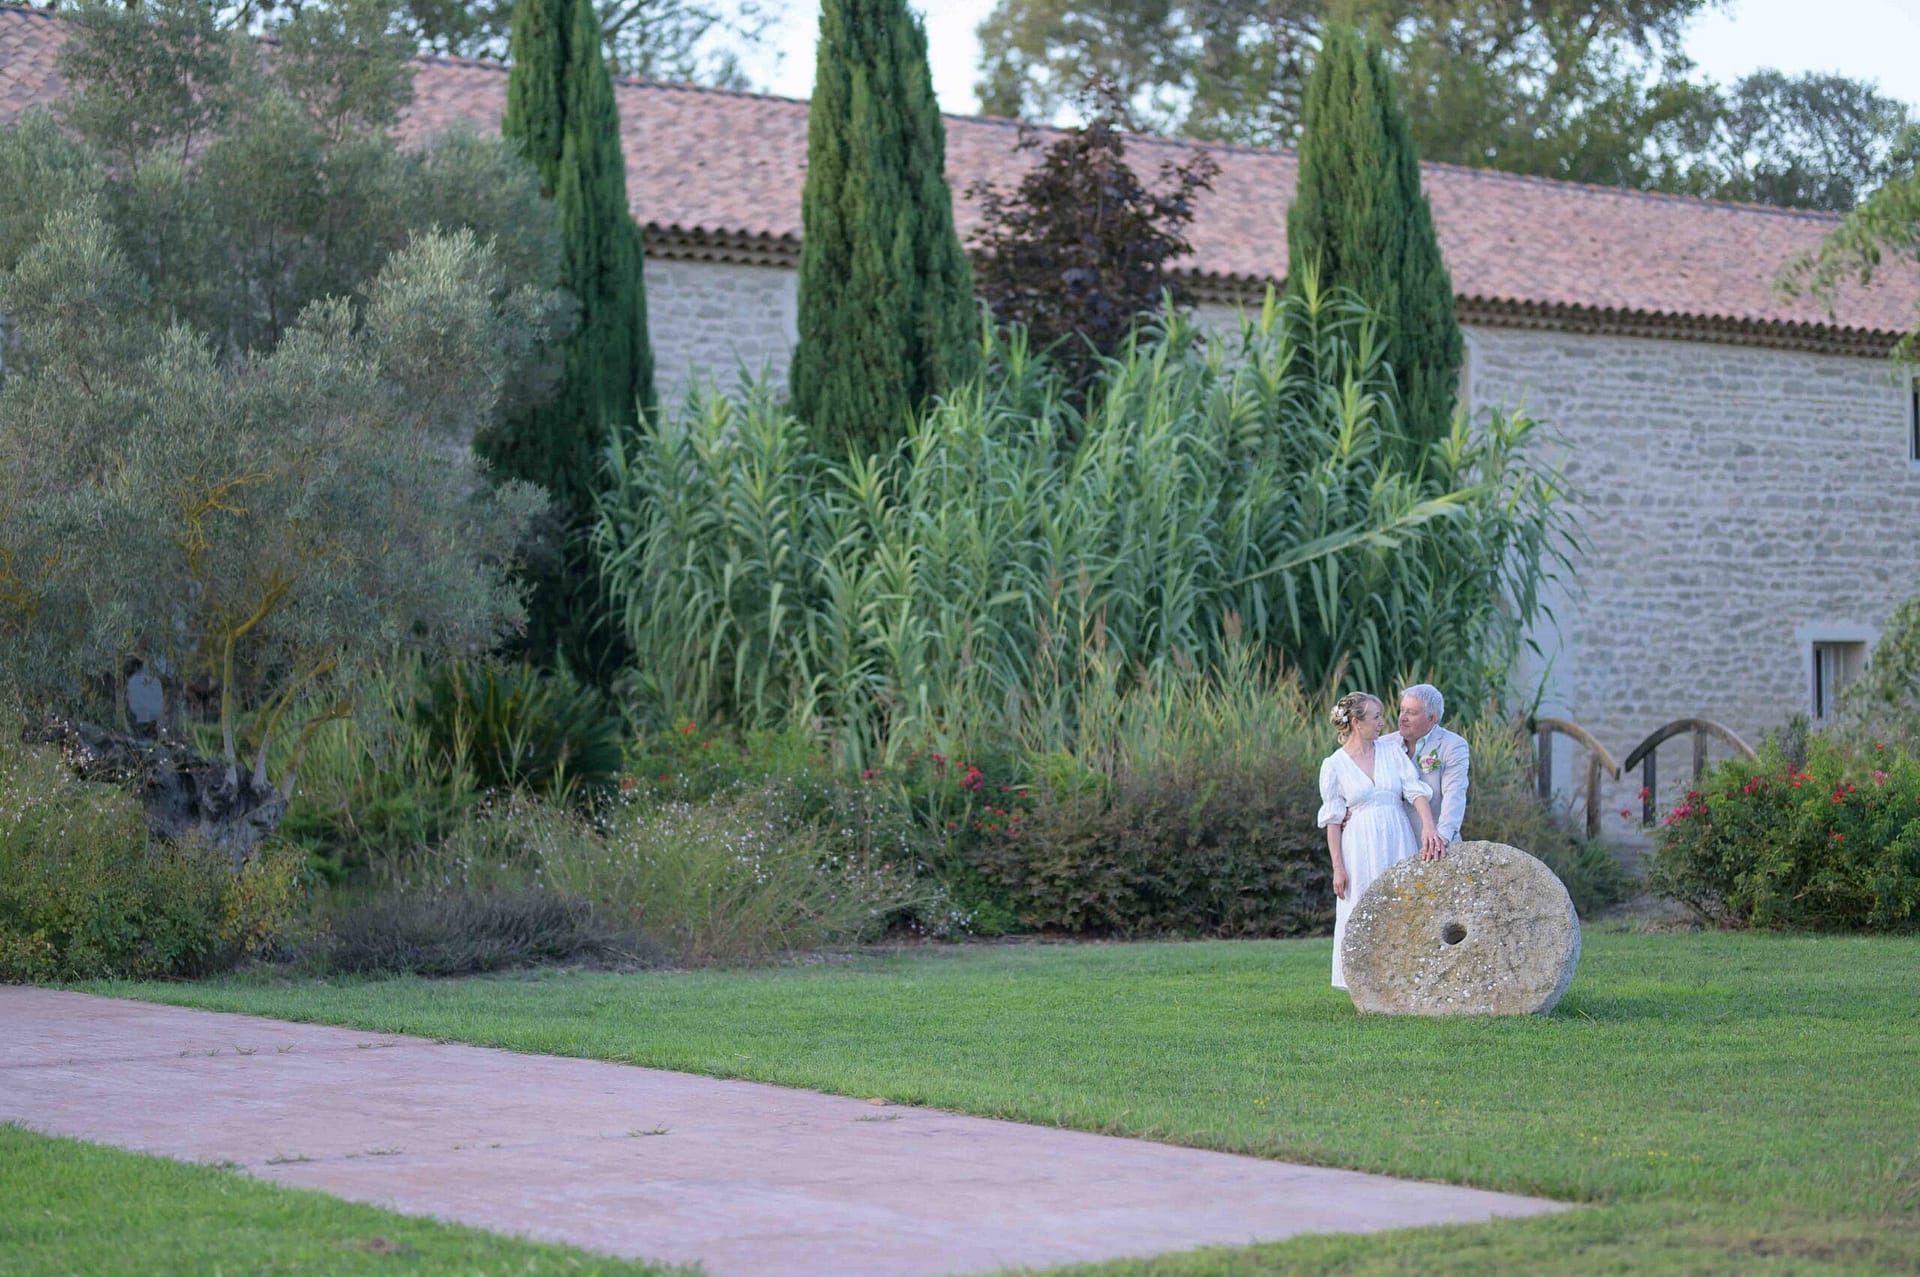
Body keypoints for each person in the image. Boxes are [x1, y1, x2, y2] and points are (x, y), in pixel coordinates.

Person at [1317, 692, 1446, 990]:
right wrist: (1338, 867)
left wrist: (1429, 827)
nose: (1381, 723)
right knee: (1360, 906)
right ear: (1357, 722)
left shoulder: (1390, 751)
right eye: (1376, 717)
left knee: (1403, 904)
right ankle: (1364, 982)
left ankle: (1407, 978)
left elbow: (1414, 791)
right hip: (1359, 845)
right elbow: (1333, 820)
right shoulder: (1334, 765)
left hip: (1396, 836)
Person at [1396, 683, 1470, 846]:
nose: (1402, 718)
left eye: (1411, 713)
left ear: (1432, 718)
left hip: (1435, 842)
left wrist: (1441, 839)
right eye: (1402, 710)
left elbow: (1454, 794)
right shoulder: (1385, 744)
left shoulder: (1452, 745)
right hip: (1395, 842)